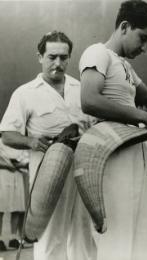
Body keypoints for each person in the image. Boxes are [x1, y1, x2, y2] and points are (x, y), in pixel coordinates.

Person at [78, 1, 147, 259]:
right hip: (111, 151)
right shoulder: (97, 52)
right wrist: (144, 117)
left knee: (140, 229)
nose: (145, 48)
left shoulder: (125, 65)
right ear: (124, 26)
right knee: (118, 233)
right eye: (142, 38)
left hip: (134, 150)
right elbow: (89, 99)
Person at [0, 31, 96, 260]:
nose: (58, 63)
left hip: (82, 168)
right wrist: (31, 141)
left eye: (64, 58)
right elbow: (6, 134)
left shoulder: (81, 88)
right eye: (52, 57)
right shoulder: (25, 93)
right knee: (50, 235)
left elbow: (94, 124)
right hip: (47, 171)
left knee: (84, 232)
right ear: (40, 57)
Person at [0, 137, 28, 251]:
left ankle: (13, 238)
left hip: (18, 174)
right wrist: (7, 165)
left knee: (17, 207)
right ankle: (0, 238)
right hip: (2, 174)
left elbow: (26, 157)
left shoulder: (19, 141)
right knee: (0, 208)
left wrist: (20, 164)